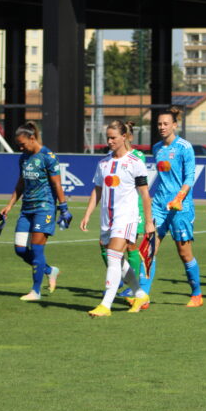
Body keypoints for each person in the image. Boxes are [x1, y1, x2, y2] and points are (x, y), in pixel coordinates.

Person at [80, 120, 155, 317]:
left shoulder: (135, 163)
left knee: (113, 257)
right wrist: (88, 214)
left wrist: (148, 222)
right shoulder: (103, 162)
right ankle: (140, 294)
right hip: (108, 219)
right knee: (118, 260)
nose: (110, 141)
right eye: (108, 137)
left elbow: (145, 194)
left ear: (124, 137)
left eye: (113, 137)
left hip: (127, 217)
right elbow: (97, 189)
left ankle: (106, 305)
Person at [0, 122, 70, 301]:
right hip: (26, 209)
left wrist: (63, 208)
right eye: (18, 145)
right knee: (20, 249)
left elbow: (57, 184)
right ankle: (49, 270)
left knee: (37, 250)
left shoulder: (48, 156)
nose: (20, 147)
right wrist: (9, 205)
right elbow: (21, 183)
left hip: (44, 208)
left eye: (22, 144)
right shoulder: (24, 157)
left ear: (32, 138)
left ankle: (35, 291)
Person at [150, 107, 203, 306]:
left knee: (184, 253)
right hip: (159, 205)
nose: (162, 127)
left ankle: (196, 294)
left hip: (181, 206)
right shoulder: (156, 148)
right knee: (149, 248)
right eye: (159, 124)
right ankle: (142, 296)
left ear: (174, 125)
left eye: (165, 124)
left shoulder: (184, 147)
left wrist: (180, 197)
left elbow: (189, 177)